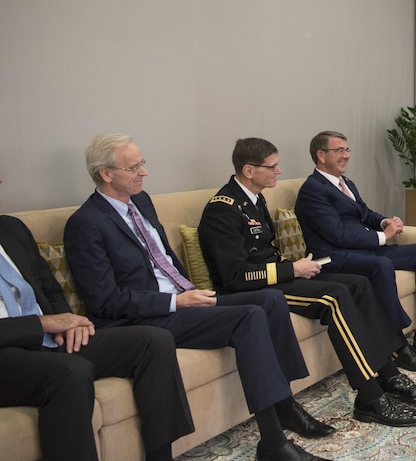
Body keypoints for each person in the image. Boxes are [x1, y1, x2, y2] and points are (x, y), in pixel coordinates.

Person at [63, 134, 331, 461]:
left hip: (181, 299)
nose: (144, 172)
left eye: (142, 163)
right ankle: (273, 444)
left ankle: (284, 403)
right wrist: (176, 302)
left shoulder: (142, 202)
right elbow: (105, 300)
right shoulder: (85, 224)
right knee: (249, 316)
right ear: (106, 173)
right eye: (133, 167)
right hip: (145, 318)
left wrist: (189, 290)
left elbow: (163, 260)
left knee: (270, 301)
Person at [197, 137, 416, 429]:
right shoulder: (224, 208)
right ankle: (370, 397)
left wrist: (295, 269)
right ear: (249, 170)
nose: (279, 171)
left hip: (277, 277)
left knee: (357, 285)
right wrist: (292, 270)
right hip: (251, 292)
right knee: (334, 296)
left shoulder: (255, 198)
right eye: (272, 167)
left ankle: (389, 374)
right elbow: (236, 277)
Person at [0, 175, 193, 461]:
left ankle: (160, 456)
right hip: (7, 350)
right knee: (70, 372)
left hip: (46, 339)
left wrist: (65, 320)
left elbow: (49, 288)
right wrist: (42, 324)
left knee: (153, 341)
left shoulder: (10, 228)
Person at [295, 131, 416, 358]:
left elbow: (364, 213)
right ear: (321, 155)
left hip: (365, 251)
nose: (346, 155)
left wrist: (385, 222)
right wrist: (384, 236)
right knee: (381, 265)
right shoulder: (312, 190)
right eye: (340, 150)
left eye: (347, 150)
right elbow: (338, 234)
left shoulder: (346, 183)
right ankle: (396, 345)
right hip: (335, 257)